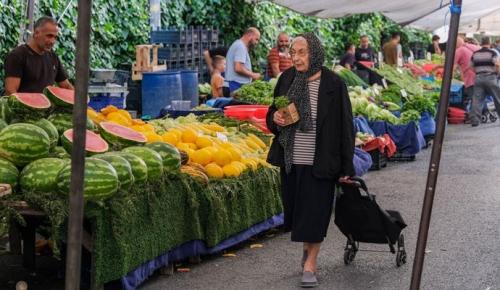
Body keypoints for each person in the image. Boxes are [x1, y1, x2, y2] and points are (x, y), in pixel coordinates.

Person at [266, 32, 354, 288]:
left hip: (322, 160)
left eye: (301, 52)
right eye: (293, 53)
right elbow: (273, 113)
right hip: (292, 159)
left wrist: (347, 166)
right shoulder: (287, 78)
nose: (296, 57)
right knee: (299, 211)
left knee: (315, 213)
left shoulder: (334, 84)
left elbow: (345, 126)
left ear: (314, 52)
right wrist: (276, 119)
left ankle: (310, 263)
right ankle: (307, 249)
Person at [4, 16, 73, 95]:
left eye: (55, 37)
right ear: (36, 33)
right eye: (49, 36)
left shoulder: (53, 57)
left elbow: (67, 86)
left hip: (47, 106)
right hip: (22, 107)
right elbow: (10, 91)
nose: (53, 41)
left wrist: (80, 101)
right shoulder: (17, 55)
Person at [469, 37, 500, 127]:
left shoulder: (475, 54)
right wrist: (497, 73)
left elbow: (470, 66)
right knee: (497, 98)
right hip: (491, 77)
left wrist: (477, 72)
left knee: (477, 100)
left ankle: (475, 120)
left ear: (481, 43)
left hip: (478, 77)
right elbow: (497, 64)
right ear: (489, 43)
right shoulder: (492, 53)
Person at [224, 27, 261, 93]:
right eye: (256, 39)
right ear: (250, 35)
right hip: (235, 85)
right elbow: (238, 68)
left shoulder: (239, 45)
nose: (256, 42)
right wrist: (253, 75)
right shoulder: (240, 46)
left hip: (233, 84)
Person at [453, 37, 480, 108]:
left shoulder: (459, 50)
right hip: (482, 76)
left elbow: (452, 68)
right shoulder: (475, 47)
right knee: (479, 99)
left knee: (474, 100)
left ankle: (474, 117)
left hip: (471, 79)